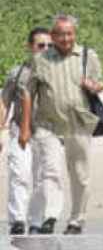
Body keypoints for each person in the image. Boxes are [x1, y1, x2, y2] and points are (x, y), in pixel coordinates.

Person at [18, 15, 103, 235]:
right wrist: (26, 127)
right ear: (53, 36)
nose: (66, 38)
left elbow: (100, 83)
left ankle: (76, 220)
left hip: (78, 122)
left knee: (80, 174)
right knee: (51, 171)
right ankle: (50, 216)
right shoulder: (41, 60)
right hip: (49, 124)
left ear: (74, 34)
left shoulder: (87, 56)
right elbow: (28, 91)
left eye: (69, 33)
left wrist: (93, 86)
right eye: (60, 34)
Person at [4, 28, 50, 235]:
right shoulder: (17, 73)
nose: (46, 49)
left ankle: (36, 221)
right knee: (19, 175)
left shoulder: (56, 73)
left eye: (50, 46)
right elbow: (4, 103)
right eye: (41, 45)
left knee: (41, 179)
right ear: (30, 47)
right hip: (19, 129)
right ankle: (17, 220)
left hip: (45, 132)